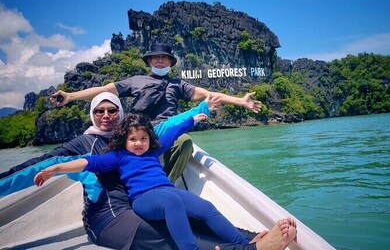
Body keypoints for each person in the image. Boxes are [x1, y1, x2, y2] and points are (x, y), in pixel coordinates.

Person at [1, 92, 297, 250]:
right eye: (99, 111)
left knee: (187, 211)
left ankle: (244, 237)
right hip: (107, 218)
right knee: (165, 234)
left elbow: (170, 128)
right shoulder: (86, 143)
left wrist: (200, 109)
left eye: (112, 110)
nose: (106, 116)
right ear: (92, 114)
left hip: (140, 203)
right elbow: (35, 167)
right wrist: (53, 170)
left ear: (120, 114)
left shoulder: (135, 138)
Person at [50, 42, 262, 183]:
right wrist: (71, 96)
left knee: (185, 141)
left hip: (167, 130)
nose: (159, 61)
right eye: (155, 58)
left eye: (164, 58)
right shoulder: (135, 81)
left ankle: (162, 184)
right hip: (138, 131)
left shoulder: (178, 84)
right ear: (149, 62)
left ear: (170, 62)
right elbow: (105, 90)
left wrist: (240, 101)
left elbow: (209, 95)